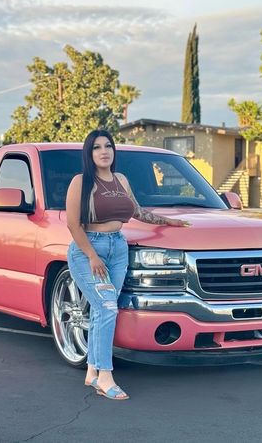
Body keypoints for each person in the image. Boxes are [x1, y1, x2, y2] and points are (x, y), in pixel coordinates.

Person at [66, 129, 190, 400]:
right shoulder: (81, 181)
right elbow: (73, 224)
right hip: (89, 249)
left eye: (108, 146)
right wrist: (91, 255)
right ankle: (105, 377)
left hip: (118, 248)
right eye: (97, 147)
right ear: (89, 153)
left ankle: (91, 371)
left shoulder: (121, 179)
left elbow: (137, 211)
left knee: (102, 310)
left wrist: (168, 221)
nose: (103, 151)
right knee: (108, 307)